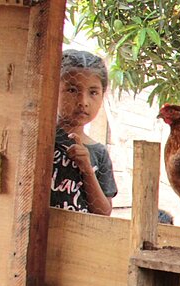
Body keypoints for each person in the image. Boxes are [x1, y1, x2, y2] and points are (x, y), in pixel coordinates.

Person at [50, 50, 116, 216]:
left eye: (93, 92)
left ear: (102, 96)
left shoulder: (99, 153)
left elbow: (103, 211)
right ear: (53, 90)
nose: (83, 102)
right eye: (72, 90)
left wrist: (87, 169)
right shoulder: (41, 140)